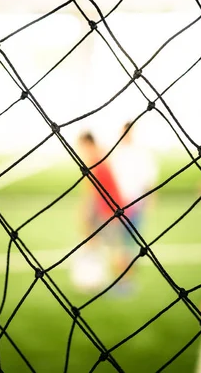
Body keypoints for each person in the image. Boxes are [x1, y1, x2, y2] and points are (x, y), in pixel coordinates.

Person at [73, 132, 125, 292]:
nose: (80, 150)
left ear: (88, 144)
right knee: (95, 244)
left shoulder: (95, 161)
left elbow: (93, 192)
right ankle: (96, 280)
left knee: (115, 248)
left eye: (81, 146)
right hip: (106, 209)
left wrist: (85, 214)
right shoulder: (100, 158)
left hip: (108, 211)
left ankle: (123, 284)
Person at [111, 122, 158, 280]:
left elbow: (149, 178)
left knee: (131, 238)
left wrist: (150, 198)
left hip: (136, 202)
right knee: (119, 239)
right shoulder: (116, 153)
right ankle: (122, 272)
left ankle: (128, 272)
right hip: (118, 203)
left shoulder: (141, 153)